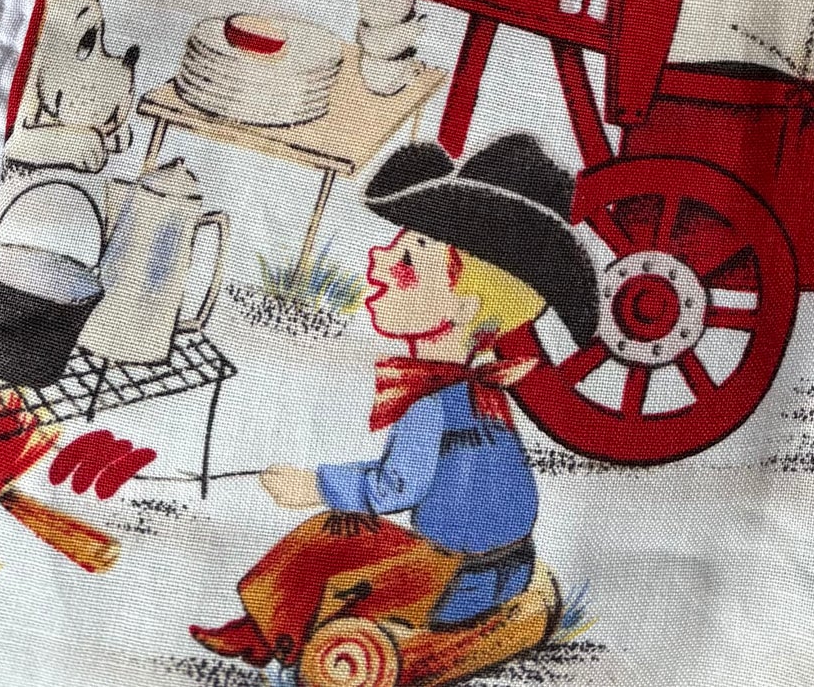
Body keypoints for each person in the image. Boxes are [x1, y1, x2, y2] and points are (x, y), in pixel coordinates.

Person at [190, 134, 600, 677]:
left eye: (408, 261)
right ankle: (266, 628)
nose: (380, 264)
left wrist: (314, 485)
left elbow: (395, 488)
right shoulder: (484, 392)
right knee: (340, 535)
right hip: (508, 570)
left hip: (454, 580)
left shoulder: (433, 402)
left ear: (463, 304)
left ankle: (276, 637)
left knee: (323, 536)